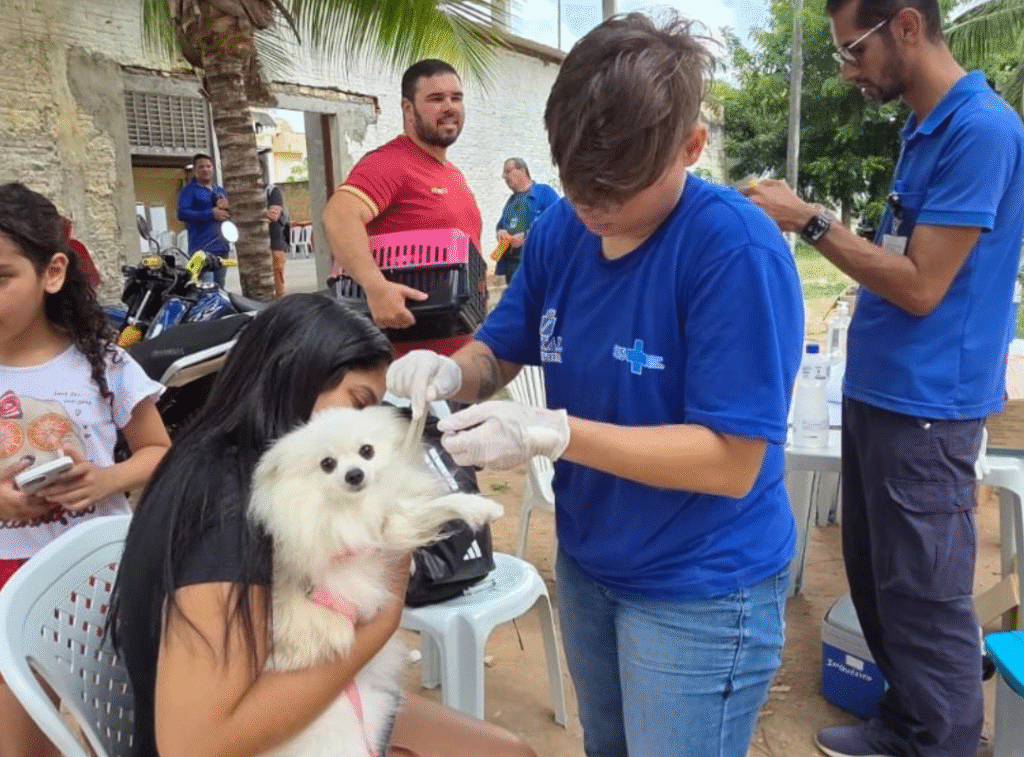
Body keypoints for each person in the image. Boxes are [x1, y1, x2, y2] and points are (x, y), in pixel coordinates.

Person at [386, 13, 805, 757]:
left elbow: (732, 458)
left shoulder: (732, 251)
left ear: (690, 147)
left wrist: (560, 433)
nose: (594, 207)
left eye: (617, 187)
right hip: (590, 558)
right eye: (578, 183)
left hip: (700, 584)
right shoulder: (562, 227)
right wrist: (457, 370)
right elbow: (504, 345)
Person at [742, 0, 1024, 754]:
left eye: (853, 51)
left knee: (924, 599)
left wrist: (809, 220)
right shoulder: (925, 126)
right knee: (878, 584)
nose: (847, 71)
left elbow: (923, 284)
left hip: (928, 405)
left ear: (906, 25)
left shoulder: (982, 130)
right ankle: (907, 722)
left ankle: (945, 741)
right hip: (881, 391)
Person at [109, 293, 536, 757]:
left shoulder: (237, 462)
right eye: (356, 404)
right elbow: (195, 744)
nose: (363, 427)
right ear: (294, 373)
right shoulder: (229, 512)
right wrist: (381, 620)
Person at [0, 182, 170, 757]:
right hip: (4, 577)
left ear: (51, 273)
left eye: (0, 278)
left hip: (95, 576)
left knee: (109, 717)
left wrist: (106, 480)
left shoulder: (105, 364)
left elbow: (157, 451)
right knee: (22, 730)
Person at [322, 59, 484, 357]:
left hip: (457, 356)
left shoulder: (453, 174)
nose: (449, 106)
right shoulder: (389, 163)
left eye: (456, 98)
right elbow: (339, 215)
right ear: (408, 109)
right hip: (404, 366)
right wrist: (375, 287)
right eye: (436, 99)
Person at [494, 158, 559, 284]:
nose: (505, 177)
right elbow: (501, 224)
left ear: (522, 170)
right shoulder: (511, 201)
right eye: (504, 174)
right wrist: (500, 231)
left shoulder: (544, 193)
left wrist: (526, 237)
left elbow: (557, 223)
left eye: (508, 172)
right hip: (512, 272)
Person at [177, 152, 232, 287]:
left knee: (220, 287)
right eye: (201, 167)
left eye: (209, 166)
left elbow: (231, 213)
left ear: (213, 169)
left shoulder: (220, 190)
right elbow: (182, 213)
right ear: (195, 170)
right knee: (205, 288)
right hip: (200, 249)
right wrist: (210, 213)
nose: (206, 170)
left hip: (222, 247)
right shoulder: (189, 190)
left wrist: (228, 208)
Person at [266, 181, 289, 298]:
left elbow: (274, 215)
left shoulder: (271, 190)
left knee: (278, 286)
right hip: (253, 246)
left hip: (276, 243)